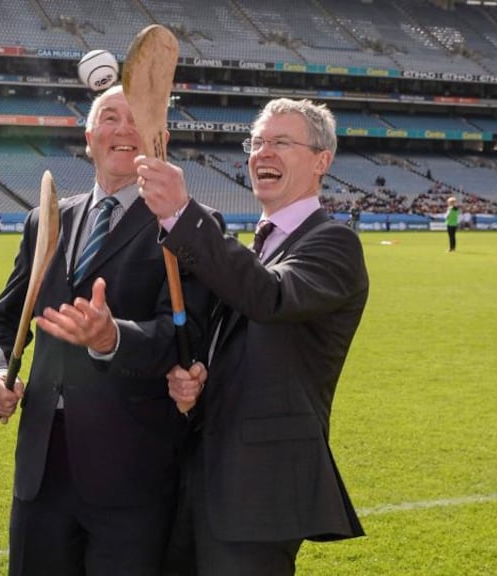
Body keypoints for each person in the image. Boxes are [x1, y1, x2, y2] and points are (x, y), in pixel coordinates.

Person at [0, 85, 214, 576]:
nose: (123, 130)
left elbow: (186, 337)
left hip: (133, 471)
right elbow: (4, 323)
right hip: (43, 470)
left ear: (160, 138)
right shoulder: (46, 221)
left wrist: (113, 339)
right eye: (109, 118)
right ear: (89, 137)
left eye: (136, 120)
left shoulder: (187, 227)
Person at [138, 97, 367, 575]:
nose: (262, 153)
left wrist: (183, 212)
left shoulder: (334, 243)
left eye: (281, 142)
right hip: (205, 478)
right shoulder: (257, 247)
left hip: (262, 491)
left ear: (322, 161)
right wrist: (198, 377)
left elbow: (270, 298)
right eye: (257, 142)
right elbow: (241, 341)